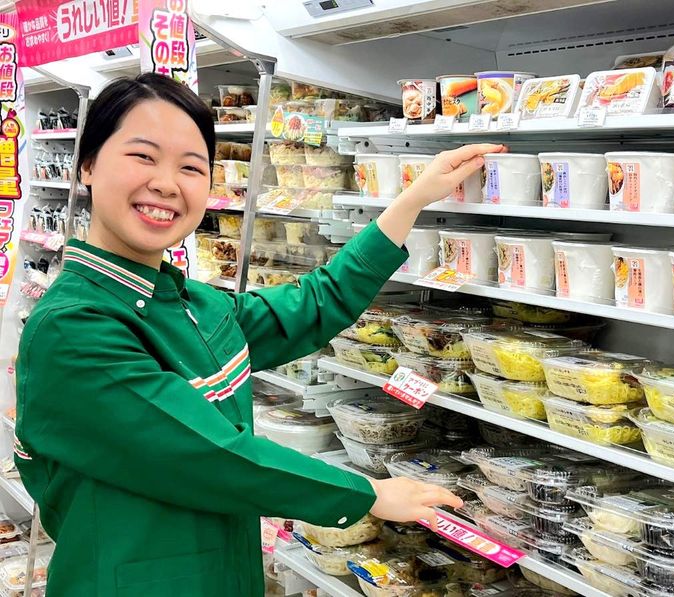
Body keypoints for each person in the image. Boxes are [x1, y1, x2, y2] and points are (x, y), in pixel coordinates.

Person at [13, 72, 506, 596]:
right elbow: (207, 456)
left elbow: (314, 304)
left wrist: (412, 199)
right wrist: (366, 493)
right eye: (142, 156)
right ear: (87, 164)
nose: (166, 183)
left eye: (191, 167)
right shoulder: (73, 327)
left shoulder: (188, 303)